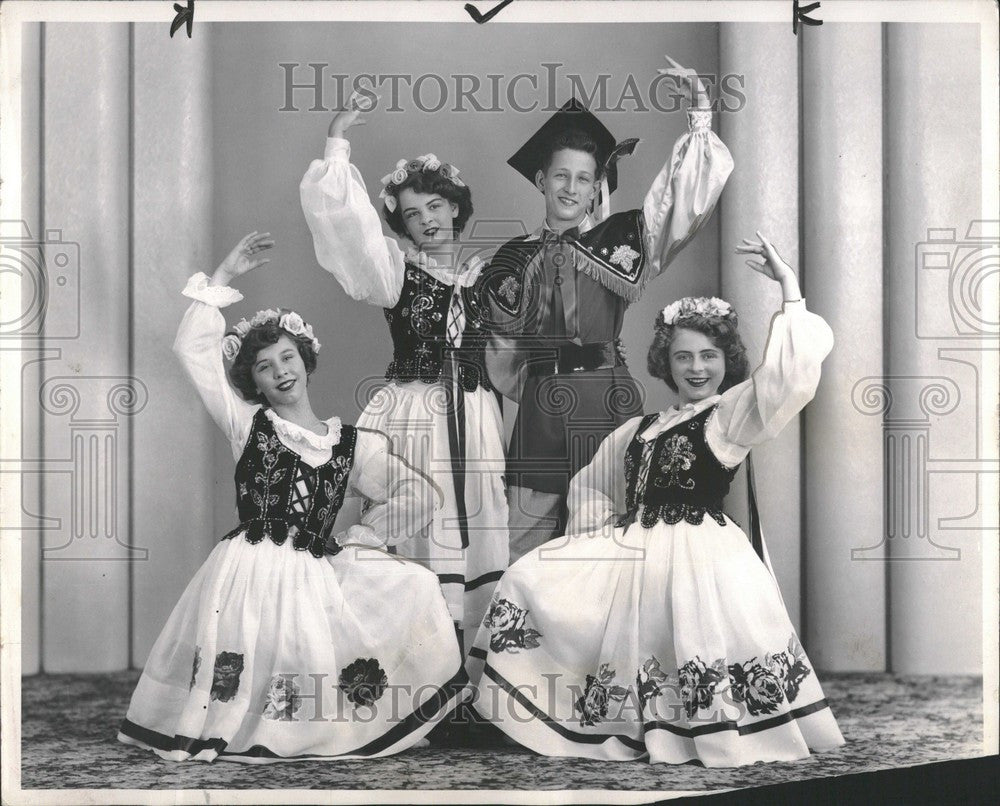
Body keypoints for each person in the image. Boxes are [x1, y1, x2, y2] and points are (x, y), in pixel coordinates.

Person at [469, 233, 846, 767]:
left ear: (727, 360)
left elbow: (786, 380)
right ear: (664, 364)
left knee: (696, 641)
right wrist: (601, 533)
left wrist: (790, 291)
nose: (697, 368)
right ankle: (623, 721)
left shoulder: (729, 415)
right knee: (530, 577)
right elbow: (593, 484)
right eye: (683, 356)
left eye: (710, 356)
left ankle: (707, 730)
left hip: (702, 557)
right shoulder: (639, 428)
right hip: (638, 552)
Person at [117, 233, 466, 762]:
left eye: (287, 357)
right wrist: (225, 272)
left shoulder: (350, 444)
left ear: (305, 360)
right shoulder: (247, 425)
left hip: (309, 575)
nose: (281, 371)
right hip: (245, 573)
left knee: (410, 588)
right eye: (265, 366)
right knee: (240, 671)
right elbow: (192, 352)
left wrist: (364, 538)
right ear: (253, 382)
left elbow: (418, 492)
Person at [476, 56, 734, 561]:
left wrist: (699, 114)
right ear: (541, 181)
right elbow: (501, 362)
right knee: (526, 547)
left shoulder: (619, 244)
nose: (571, 188)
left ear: (597, 188)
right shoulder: (511, 257)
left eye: (584, 179)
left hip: (606, 402)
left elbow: (678, 204)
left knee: (609, 543)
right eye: (561, 176)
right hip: (540, 411)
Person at [299, 95, 508, 662]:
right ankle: (412, 667)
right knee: (419, 518)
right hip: (414, 416)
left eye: (437, 206)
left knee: (472, 522)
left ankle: (466, 676)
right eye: (414, 213)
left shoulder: (486, 274)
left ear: (457, 209)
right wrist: (337, 142)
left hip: (474, 414)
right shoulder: (394, 271)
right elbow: (349, 230)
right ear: (403, 223)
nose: (429, 220)